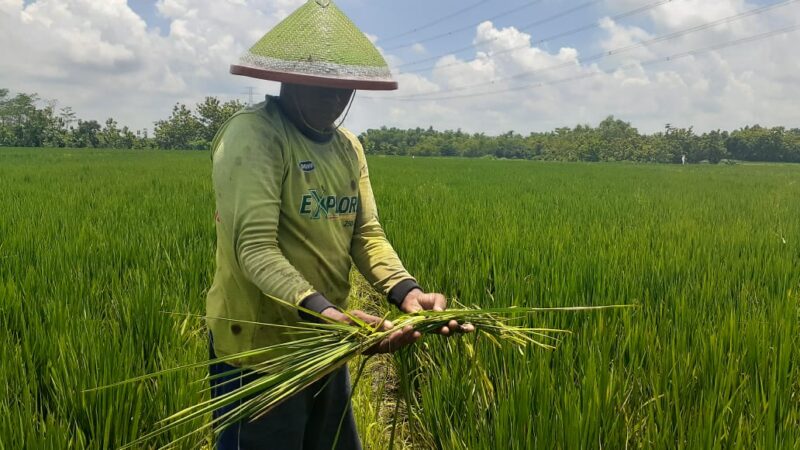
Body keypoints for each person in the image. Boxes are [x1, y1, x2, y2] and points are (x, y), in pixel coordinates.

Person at [206, 1, 472, 448]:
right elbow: (253, 248)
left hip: (326, 346)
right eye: (321, 87)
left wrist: (407, 292)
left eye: (343, 88)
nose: (334, 98)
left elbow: (366, 233)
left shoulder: (348, 146)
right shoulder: (256, 135)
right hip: (262, 349)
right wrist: (330, 314)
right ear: (288, 79)